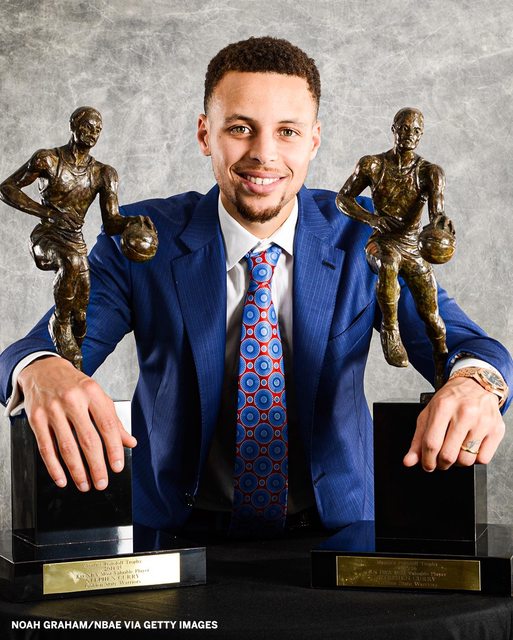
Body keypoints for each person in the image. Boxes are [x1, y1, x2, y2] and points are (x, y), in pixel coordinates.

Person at [0, 37, 511, 536]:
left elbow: (472, 348)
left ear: (313, 140)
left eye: (287, 131)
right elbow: (39, 349)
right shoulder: (142, 241)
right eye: (241, 128)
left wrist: (474, 384)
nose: (264, 154)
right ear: (206, 134)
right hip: (174, 537)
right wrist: (40, 368)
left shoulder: (365, 239)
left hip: (337, 531)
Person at [0, 107, 153, 370]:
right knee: (69, 265)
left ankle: (71, 367)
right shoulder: (48, 160)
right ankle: (58, 322)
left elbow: (111, 223)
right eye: (87, 127)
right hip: (47, 236)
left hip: (75, 242)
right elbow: (7, 188)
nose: (93, 133)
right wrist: (47, 212)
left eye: (98, 129)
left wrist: (132, 222)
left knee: (81, 318)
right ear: (73, 125)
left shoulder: (103, 174)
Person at [336, 108, 454, 389]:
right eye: (404, 128)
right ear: (394, 129)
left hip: (413, 245)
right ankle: (390, 331)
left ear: (421, 135)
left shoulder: (429, 173)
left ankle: (442, 372)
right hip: (382, 240)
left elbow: (436, 212)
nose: (409, 134)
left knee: (433, 319)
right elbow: (343, 198)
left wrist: (441, 225)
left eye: (415, 130)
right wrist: (372, 219)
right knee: (388, 261)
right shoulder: (373, 165)